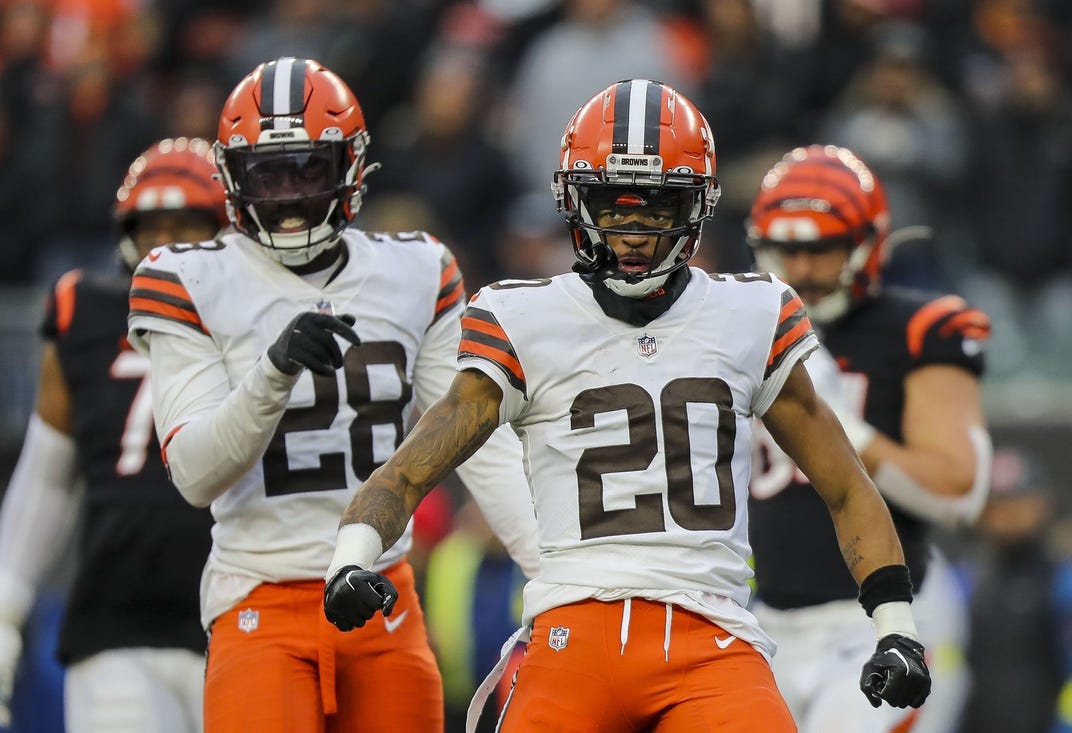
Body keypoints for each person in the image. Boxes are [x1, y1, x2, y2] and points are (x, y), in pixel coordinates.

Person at [323, 79, 932, 733]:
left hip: (710, 635)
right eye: (613, 205)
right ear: (574, 200)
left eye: (658, 207)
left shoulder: (751, 312)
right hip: (573, 635)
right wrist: (350, 558)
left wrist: (896, 625)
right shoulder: (521, 317)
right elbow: (411, 469)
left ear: (699, 206)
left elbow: (845, 485)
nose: (635, 230)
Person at [124, 57, 539, 733]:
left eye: (307, 169)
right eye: (268, 173)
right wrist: (272, 373)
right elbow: (196, 474)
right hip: (258, 594)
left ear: (350, 168)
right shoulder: (187, 278)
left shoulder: (415, 269)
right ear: (233, 179)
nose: (287, 195)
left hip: (384, 592)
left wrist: (553, 575)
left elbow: (470, 438)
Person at [745, 143, 994, 733]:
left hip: (880, 622)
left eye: (820, 250)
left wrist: (841, 426)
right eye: (786, 250)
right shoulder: (738, 330)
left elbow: (960, 495)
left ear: (866, 244)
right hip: (759, 624)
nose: (801, 271)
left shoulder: (917, 330)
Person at [0, 137, 226, 733]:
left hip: (236, 612)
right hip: (115, 618)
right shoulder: (86, 312)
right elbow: (47, 477)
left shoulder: (261, 320)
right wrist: (5, 608)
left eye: (186, 225)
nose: (166, 244)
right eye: (152, 227)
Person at [960, 446, 1072, 733]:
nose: (1004, 515)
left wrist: (1068, 728)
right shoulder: (966, 580)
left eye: (1016, 502)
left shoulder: (1071, 581)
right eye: (994, 505)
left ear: (1043, 504)